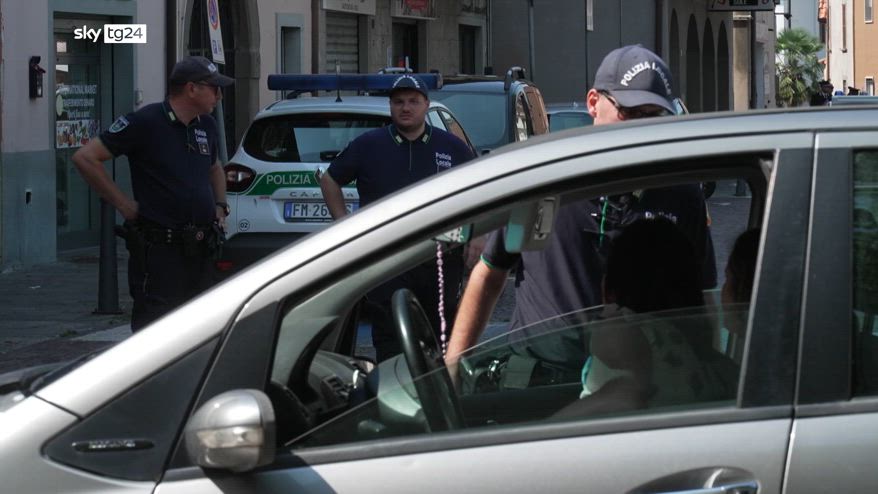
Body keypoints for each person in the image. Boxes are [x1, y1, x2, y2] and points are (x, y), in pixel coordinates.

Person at [445, 45, 716, 381]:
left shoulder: (680, 192)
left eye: (653, 116)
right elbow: (489, 274)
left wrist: (710, 377)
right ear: (593, 102)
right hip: (541, 383)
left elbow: (703, 298)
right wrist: (453, 369)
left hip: (640, 388)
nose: (641, 127)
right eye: (630, 113)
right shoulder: (545, 179)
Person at [320, 74, 476, 361]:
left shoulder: (451, 147)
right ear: (390, 106)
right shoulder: (369, 145)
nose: (406, 108)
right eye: (399, 102)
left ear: (426, 105)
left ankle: (439, 386)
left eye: (413, 101)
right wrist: (343, 225)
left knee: (441, 340)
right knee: (391, 339)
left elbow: (479, 191)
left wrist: (476, 236)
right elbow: (330, 180)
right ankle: (393, 386)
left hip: (439, 258)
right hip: (386, 259)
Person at [72, 56, 233, 331]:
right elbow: (85, 158)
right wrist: (124, 205)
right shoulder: (146, 122)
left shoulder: (205, 125)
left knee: (201, 328)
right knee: (156, 328)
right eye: (214, 88)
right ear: (191, 88)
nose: (219, 96)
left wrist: (220, 206)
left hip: (201, 249)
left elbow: (215, 167)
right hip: (161, 251)